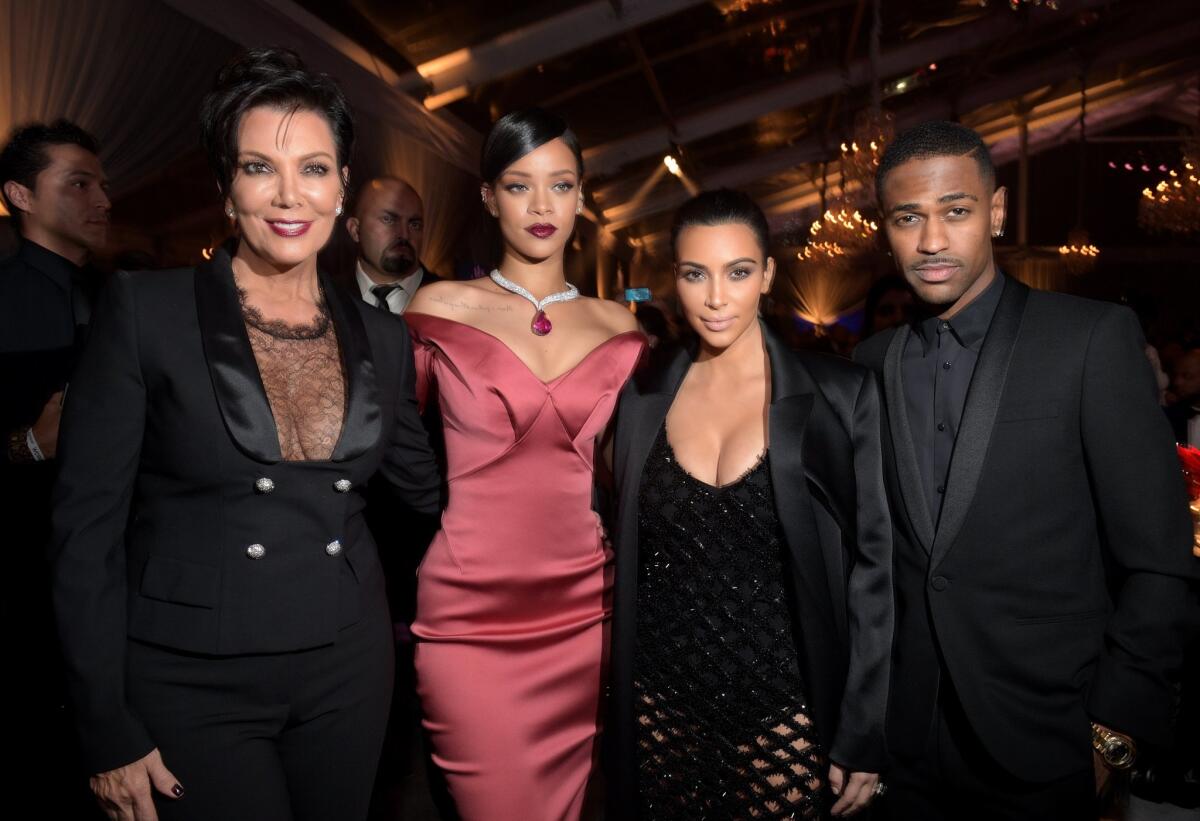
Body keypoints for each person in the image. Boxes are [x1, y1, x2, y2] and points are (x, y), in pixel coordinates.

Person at [51, 48, 441, 821]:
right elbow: (82, 531)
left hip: (348, 670)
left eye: (315, 168)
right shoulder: (144, 312)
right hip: (192, 677)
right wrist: (103, 725)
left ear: (341, 190)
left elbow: (429, 493)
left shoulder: (383, 338)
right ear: (227, 190)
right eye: (260, 167)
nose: (289, 194)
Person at [853, 120, 1199, 821]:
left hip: (1049, 740)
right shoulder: (870, 366)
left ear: (998, 210)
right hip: (905, 745)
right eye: (907, 218)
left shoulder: (1087, 339)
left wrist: (1116, 729)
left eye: (956, 211)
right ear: (884, 228)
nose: (931, 242)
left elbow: (1160, 558)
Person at [607, 189, 893, 819]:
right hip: (661, 698)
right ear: (673, 279)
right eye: (695, 274)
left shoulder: (841, 397)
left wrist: (864, 726)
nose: (716, 298)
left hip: (785, 705)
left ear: (766, 275)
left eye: (737, 272)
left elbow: (876, 573)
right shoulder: (638, 399)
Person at [404, 107, 643, 820]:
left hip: (585, 615)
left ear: (581, 195)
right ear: (486, 195)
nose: (542, 207)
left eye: (560, 185)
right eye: (519, 185)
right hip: (467, 619)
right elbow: (391, 451)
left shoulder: (623, 327)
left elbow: (632, 473)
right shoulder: (438, 307)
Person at [0, 117, 110, 817]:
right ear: (20, 194)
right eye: (79, 183)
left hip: (118, 579)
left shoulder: (124, 299)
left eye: (102, 182)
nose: (104, 197)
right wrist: (25, 445)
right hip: (24, 593)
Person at [346, 176, 441, 314]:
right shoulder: (324, 296)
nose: (404, 234)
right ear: (355, 230)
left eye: (414, 225)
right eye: (388, 219)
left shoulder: (451, 303)